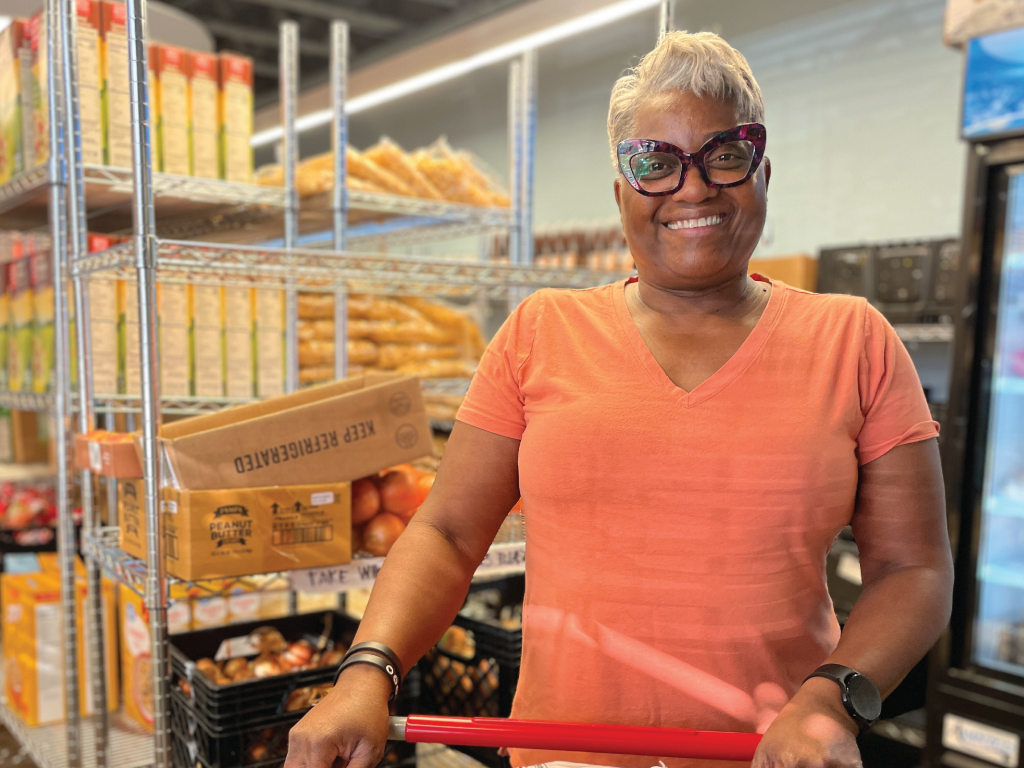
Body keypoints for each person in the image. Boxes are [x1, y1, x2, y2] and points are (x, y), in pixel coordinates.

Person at [285, 31, 953, 768]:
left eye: (725, 154)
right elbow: (445, 532)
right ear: (621, 193)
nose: (692, 188)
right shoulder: (542, 331)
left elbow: (911, 569)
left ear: (764, 171)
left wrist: (830, 697)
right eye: (655, 163)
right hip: (564, 756)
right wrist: (364, 672)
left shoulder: (854, 341)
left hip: (773, 757)